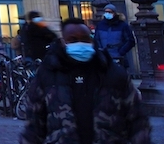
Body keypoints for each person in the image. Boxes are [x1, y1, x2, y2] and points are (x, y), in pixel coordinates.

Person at [18, 20, 150, 144]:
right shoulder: (47, 74)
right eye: (73, 40)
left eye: (84, 39)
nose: (79, 43)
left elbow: (137, 119)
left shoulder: (113, 73)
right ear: (63, 42)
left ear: (92, 40)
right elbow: (34, 125)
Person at [92, 6, 137, 75]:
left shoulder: (123, 25)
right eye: (106, 12)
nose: (107, 14)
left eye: (109, 12)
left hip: (118, 56)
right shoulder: (100, 25)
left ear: (115, 13)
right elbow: (96, 39)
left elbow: (130, 41)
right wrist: (101, 51)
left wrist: (121, 52)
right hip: (104, 57)